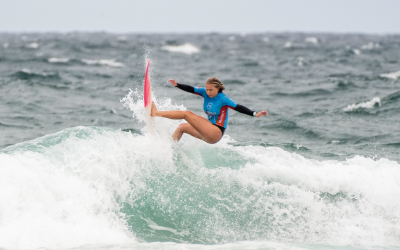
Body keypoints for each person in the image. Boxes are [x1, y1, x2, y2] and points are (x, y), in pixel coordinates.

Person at [151, 77, 268, 144]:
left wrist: (255, 114)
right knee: (182, 127)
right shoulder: (205, 93)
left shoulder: (223, 99)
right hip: (207, 130)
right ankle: (170, 149)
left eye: (211, 90)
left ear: (218, 89)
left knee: (186, 114)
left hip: (216, 132)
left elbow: (239, 107)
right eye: (207, 89)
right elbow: (191, 89)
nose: (208, 92)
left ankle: (156, 113)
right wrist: (177, 85)